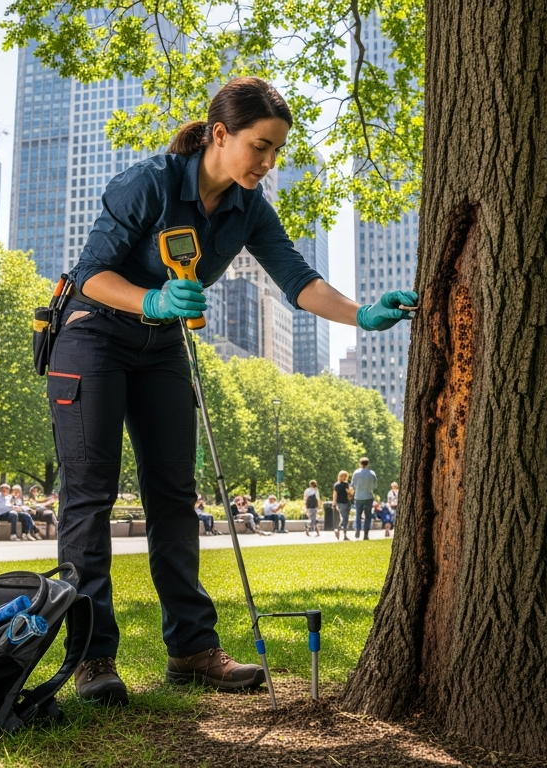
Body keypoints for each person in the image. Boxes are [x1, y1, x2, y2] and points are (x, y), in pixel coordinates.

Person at [44, 76, 416, 705]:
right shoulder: (148, 184)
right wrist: (153, 299)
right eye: (260, 147)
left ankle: (192, 650)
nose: (268, 163)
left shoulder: (249, 209)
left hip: (162, 349)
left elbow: (299, 280)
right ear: (220, 134)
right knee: (90, 497)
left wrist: (362, 313)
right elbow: (91, 275)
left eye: (276, 151)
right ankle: (92, 658)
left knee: (173, 495)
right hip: (93, 336)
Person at [351, 457, 378, 540]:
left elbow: (353, 485)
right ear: (368, 464)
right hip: (368, 496)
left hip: (358, 497)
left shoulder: (356, 473)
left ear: (360, 463)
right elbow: (375, 486)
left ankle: (358, 530)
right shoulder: (372, 474)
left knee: (358, 515)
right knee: (368, 516)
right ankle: (366, 534)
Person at [332, 470, 351, 540]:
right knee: (344, 518)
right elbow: (335, 495)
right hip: (341, 503)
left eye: (345, 476)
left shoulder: (347, 485)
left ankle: (345, 535)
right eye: (342, 476)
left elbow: (349, 495)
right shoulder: (338, 485)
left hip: (346, 503)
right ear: (339, 476)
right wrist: (334, 503)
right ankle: (338, 529)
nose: (344, 477)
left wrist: (350, 493)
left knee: (346, 519)